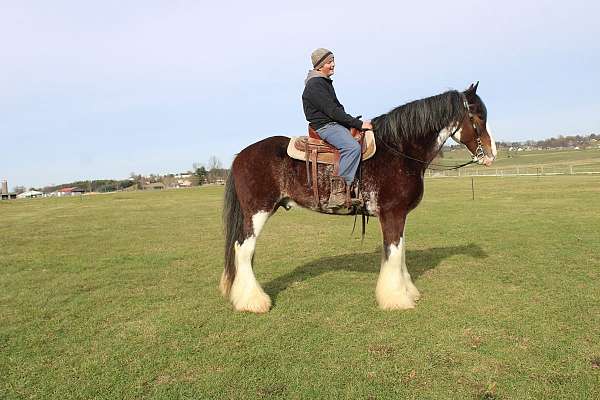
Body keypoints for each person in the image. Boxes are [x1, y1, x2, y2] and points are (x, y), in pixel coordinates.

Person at [302, 48, 372, 208]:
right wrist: (359, 124)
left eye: (333, 60)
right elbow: (333, 112)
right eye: (329, 62)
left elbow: (337, 110)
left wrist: (352, 122)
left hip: (333, 123)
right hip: (326, 126)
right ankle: (338, 194)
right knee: (352, 147)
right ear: (320, 66)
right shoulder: (315, 85)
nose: (333, 64)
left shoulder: (323, 82)